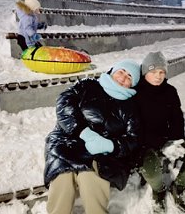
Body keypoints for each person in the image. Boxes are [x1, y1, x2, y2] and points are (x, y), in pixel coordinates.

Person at [44, 59, 141, 214]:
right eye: (121, 71)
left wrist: (111, 145)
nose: (123, 78)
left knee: (92, 180)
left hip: (101, 154)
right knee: (62, 180)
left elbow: (133, 139)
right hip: (66, 141)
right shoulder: (87, 85)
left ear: (133, 84)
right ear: (113, 71)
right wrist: (83, 132)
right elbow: (64, 104)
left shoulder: (131, 107)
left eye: (129, 77)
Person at [135, 51, 185, 213]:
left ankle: (178, 186)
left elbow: (177, 118)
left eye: (161, 72)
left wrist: (176, 140)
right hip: (145, 143)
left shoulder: (170, 91)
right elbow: (136, 129)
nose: (158, 76)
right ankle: (158, 190)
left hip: (168, 139)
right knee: (149, 165)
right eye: (153, 72)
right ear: (145, 72)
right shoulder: (136, 93)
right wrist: (162, 144)